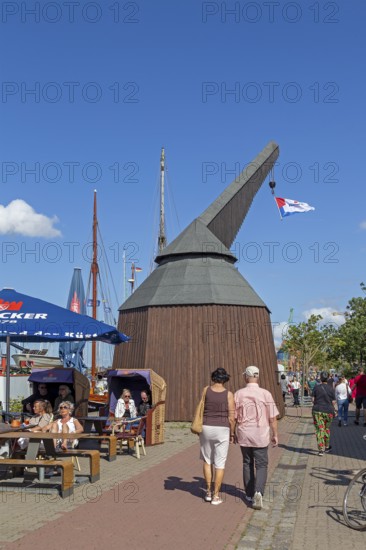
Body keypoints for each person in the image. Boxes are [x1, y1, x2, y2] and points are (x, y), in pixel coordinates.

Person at [234, 366, 279, 511]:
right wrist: (275, 434)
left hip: (244, 432)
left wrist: (233, 432)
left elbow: (233, 417)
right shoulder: (266, 394)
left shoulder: (238, 394)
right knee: (261, 464)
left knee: (247, 462)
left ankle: (248, 493)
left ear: (246, 377)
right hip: (260, 433)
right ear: (258, 377)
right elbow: (272, 417)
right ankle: (258, 491)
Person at [199, 367, 235, 506]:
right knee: (220, 463)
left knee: (207, 460)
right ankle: (216, 496)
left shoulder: (205, 390)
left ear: (213, 378)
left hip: (206, 427)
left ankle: (208, 491)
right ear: (225, 379)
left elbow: (201, 407)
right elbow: (231, 417)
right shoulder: (229, 394)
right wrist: (232, 433)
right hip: (222, 429)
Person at [312, 371, 336, 456]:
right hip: (328, 411)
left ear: (320, 378)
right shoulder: (331, 389)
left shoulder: (316, 388)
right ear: (328, 378)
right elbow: (333, 402)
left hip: (317, 410)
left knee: (319, 429)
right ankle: (327, 446)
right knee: (327, 429)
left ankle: (321, 449)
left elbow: (313, 400)